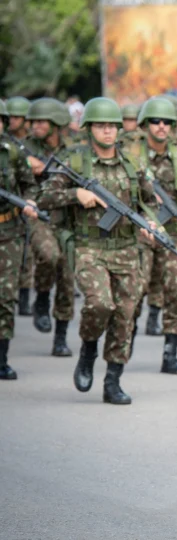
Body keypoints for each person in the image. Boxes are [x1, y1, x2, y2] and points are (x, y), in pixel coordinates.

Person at [37, 97, 161, 404]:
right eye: (101, 126)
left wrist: (151, 223)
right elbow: (44, 198)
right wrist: (76, 193)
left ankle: (113, 381)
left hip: (127, 249)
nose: (107, 132)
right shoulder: (75, 162)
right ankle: (88, 347)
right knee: (100, 304)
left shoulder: (133, 164)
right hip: (89, 247)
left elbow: (150, 203)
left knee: (125, 316)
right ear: (89, 128)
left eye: (112, 126)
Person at [125, 97, 177, 374]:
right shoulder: (131, 157)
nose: (161, 126)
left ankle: (170, 353)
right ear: (146, 124)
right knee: (134, 293)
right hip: (140, 235)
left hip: (172, 236)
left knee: (176, 293)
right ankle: (125, 342)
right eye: (156, 121)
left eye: (167, 122)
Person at [23, 98, 77, 356]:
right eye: (33, 121)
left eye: (42, 121)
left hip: (66, 218)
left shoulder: (73, 150)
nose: (36, 125)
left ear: (57, 124)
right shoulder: (20, 148)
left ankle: (61, 337)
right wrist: (26, 164)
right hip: (37, 215)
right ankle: (42, 295)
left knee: (67, 277)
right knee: (48, 255)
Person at [0, 100, 42, 380]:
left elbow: (30, 185)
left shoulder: (13, 151)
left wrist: (29, 201)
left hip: (8, 231)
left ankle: (1, 358)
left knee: (5, 296)